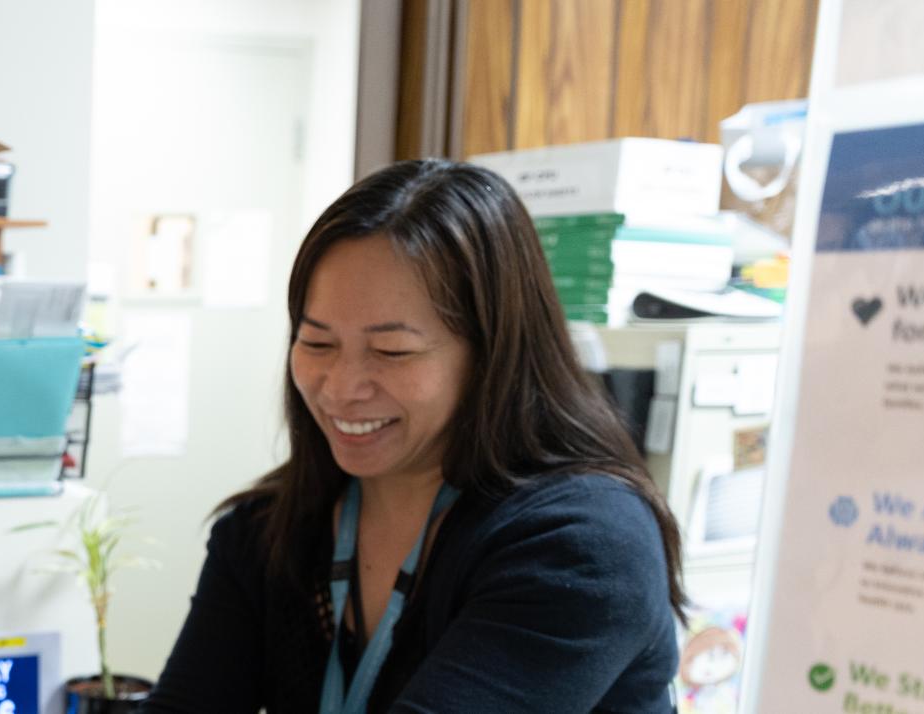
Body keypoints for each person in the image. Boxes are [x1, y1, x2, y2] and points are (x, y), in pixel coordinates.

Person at [141, 160, 684, 713]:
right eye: (317, 343)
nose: (342, 387)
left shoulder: (581, 547)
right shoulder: (266, 532)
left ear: (491, 356)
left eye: (392, 351)